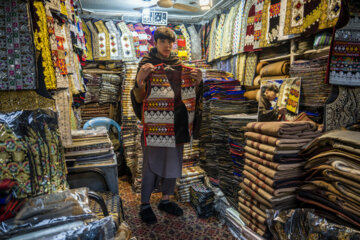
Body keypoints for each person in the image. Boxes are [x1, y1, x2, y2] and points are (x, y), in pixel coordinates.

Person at [131, 27, 202, 224]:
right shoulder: (146, 64)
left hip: (178, 122)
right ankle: (145, 204)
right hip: (156, 121)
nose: (167, 45)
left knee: (174, 162)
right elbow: (138, 96)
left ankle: (165, 199)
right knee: (150, 163)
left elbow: (191, 94)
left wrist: (197, 83)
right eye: (163, 41)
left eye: (170, 42)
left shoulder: (180, 65)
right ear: (155, 43)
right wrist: (139, 80)